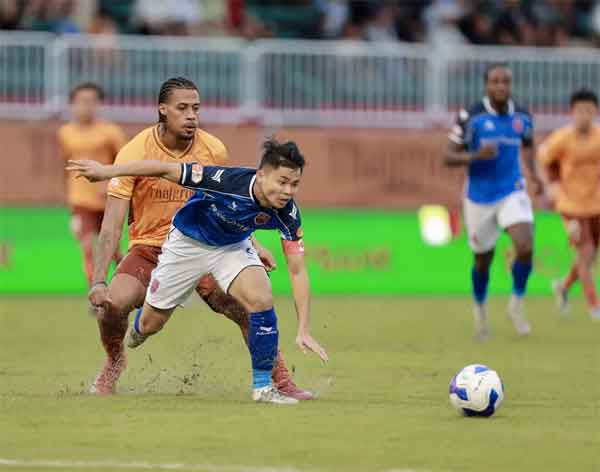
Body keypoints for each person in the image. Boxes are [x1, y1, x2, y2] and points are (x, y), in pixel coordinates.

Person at [84, 77, 313, 400]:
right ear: (163, 110)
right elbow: (111, 227)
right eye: (182, 108)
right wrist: (98, 281)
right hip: (151, 247)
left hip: (212, 245)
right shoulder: (134, 152)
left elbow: (232, 202)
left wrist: (253, 244)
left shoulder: (213, 149)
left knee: (249, 305)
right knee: (114, 305)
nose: (191, 115)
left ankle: (280, 380)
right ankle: (114, 362)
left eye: (196, 108)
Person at [443, 63, 545, 340]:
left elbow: (528, 145)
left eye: (505, 81)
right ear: (486, 85)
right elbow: (447, 156)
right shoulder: (471, 116)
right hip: (479, 197)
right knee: (482, 261)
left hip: (512, 190)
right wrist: (475, 156)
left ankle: (516, 304)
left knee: (525, 246)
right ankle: (480, 311)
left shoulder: (522, 116)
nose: (501, 86)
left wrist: (534, 175)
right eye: (495, 81)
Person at [537, 89, 600, 320]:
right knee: (586, 251)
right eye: (580, 110)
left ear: (595, 112)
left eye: (589, 110)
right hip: (570, 206)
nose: (584, 115)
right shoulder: (562, 138)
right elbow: (543, 159)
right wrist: (551, 186)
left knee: (588, 256)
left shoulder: (599, 137)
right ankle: (594, 305)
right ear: (572, 112)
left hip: (596, 204)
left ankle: (563, 287)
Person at [58, 82, 127, 289]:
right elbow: (66, 164)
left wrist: (110, 181)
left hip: (107, 199)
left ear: (99, 104)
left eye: (91, 101)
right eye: (81, 101)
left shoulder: (111, 132)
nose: (86, 106)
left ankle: (130, 288)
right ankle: (95, 294)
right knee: (87, 247)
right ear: (73, 104)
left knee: (112, 250)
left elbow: (125, 162)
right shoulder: (65, 133)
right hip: (80, 200)